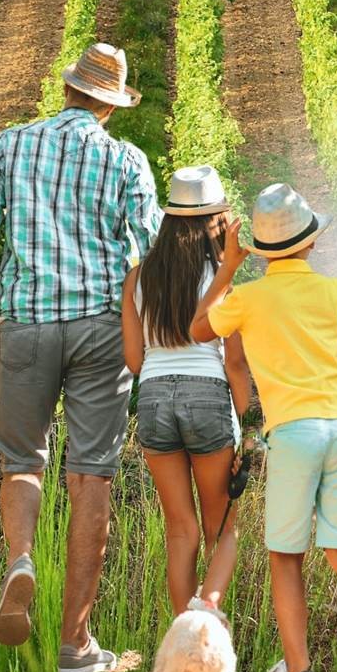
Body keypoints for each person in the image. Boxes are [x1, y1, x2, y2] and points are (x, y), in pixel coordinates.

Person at [0, 42, 162, 672]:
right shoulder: (126, 160)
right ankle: (76, 645)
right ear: (110, 105)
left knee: (21, 459)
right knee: (91, 472)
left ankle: (20, 558)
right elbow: (154, 252)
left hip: (25, 324)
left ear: (69, 89)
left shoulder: (10, 146)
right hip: (101, 326)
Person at [190, 183, 337, 672]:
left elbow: (196, 330)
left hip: (293, 433)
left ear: (260, 250)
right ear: (312, 242)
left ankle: (298, 669)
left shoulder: (249, 299)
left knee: (286, 556)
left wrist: (229, 267)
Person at [120, 165, 252, 617]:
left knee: (181, 531)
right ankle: (208, 614)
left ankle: (182, 639)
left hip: (154, 396)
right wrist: (245, 425)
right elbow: (234, 362)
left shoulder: (138, 278)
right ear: (215, 219)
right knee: (223, 527)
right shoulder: (221, 276)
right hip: (208, 395)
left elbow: (134, 362)